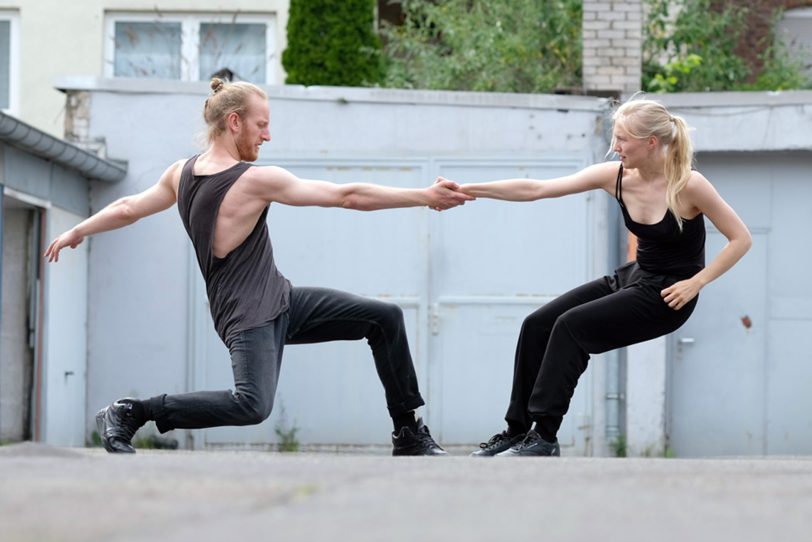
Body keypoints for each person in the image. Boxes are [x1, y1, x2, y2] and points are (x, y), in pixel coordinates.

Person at [45, 78, 473, 455]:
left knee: (384, 319)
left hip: (281, 302)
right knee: (252, 405)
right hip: (248, 315)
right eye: (261, 124)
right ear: (234, 122)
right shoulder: (252, 180)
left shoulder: (180, 173)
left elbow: (127, 207)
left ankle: (408, 432)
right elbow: (348, 196)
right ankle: (131, 411)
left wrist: (78, 231)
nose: (267, 135)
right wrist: (423, 195)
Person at [441, 97, 751, 457]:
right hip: (634, 277)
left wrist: (698, 281)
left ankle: (544, 436)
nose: (615, 146)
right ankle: (517, 431)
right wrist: (467, 190)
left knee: (572, 327)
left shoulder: (689, 184)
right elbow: (537, 189)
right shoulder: (615, 176)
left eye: (622, 139)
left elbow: (740, 238)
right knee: (538, 324)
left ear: (651, 142)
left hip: (669, 295)